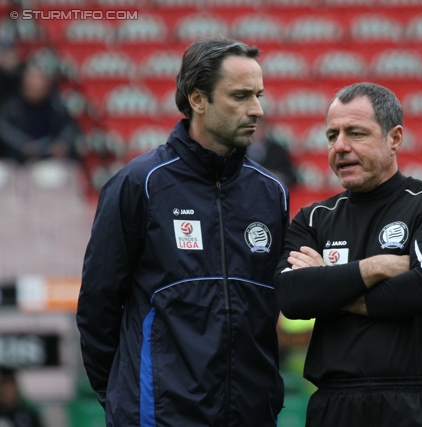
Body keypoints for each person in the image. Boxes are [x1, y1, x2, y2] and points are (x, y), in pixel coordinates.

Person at [77, 36, 289, 427]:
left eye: (258, 95)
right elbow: (97, 306)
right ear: (197, 99)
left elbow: (269, 310)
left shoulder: (270, 192)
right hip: (159, 414)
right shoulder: (139, 183)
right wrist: (122, 398)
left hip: (250, 414)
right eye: (240, 96)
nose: (256, 109)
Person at [274, 82, 422, 427]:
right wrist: (378, 266)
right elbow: (292, 297)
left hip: (419, 404)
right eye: (331, 135)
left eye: (356, 133)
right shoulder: (314, 219)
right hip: (334, 405)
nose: (340, 146)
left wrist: (328, 285)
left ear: (394, 138)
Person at [0, 61, 79, 163]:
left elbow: (71, 124)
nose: (31, 92)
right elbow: (3, 127)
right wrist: (23, 144)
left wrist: (62, 142)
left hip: (51, 159)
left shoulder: (56, 104)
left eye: (37, 89)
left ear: (46, 88)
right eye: (29, 88)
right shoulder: (13, 105)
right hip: (16, 160)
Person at [246, 119, 297, 187]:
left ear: (265, 129)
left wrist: (280, 176)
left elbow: (291, 176)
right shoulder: (237, 149)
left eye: (260, 128)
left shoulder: (277, 150)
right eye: (254, 129)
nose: (257, 132)